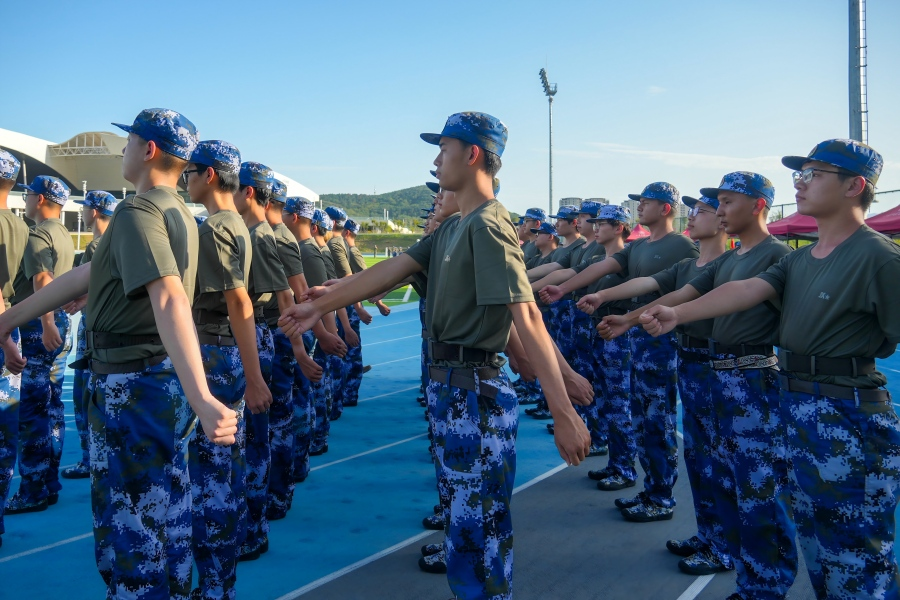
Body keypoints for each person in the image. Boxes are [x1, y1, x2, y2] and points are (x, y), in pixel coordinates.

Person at [279, 111, 592, 600]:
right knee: (466, 525)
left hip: (476, 392)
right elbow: (391, 271)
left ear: (473, 154)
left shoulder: (489, 225)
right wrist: (319, 304)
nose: (436, 160)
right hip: (454, 389)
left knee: (479, 530)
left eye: (444, 150)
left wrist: (563, 412)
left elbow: (526, 315)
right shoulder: (453, 228)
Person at [640, 140, 895, 600]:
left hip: (849, 415)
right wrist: (677, 314)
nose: (800, 183)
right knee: (818, 549)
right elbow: (744, 290)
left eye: (813, 174)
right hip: (797, 406)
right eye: (801, 174)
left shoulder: (878, 257)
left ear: (854, 186)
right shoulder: (799, 258)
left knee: (857, 557)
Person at [0, 108, 239, 596]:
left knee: (132, 532)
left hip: (133, 384)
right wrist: (7, 321)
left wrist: (202, 396)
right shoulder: (176, 211)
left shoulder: (139, 211)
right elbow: (87, 274)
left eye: (128, 141)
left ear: (148, 149)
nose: (123, 150)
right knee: (166, 516)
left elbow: (169, 296)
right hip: (154, 378)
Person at [583, 196, 732, 575]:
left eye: (701, 211)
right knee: (696, 453)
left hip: (722, 364)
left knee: (715, 455)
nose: (691, 217)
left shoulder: (728, 261)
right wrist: (620, 311)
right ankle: (708, 534)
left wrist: (630, 317)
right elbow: (656, 287)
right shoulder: (689, 264)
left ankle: (718, 540)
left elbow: (682, 300)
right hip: (690, 356)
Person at [541, 183, 698, 522]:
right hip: (634, 332)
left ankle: (657, 493)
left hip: (657, 336)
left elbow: (682, 289)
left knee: (654, 416)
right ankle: (640, 480)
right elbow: (601, 269)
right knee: (636, 413)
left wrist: (613, 306)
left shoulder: (681, 245)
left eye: (647, 202)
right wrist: (566, 289)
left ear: (666, 208)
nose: (640, 207)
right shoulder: (639, 246)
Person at [183, 140, 267, 597]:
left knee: (210, 477)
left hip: (214, 352)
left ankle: (215, 586)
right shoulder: (233, 222)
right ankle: (221, 580)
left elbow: (238, 302)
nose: (185, 178)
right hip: (223, 351)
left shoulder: (216, 228)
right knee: (224, 471)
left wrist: (254, 378)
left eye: (190, 171)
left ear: (209, 175)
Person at [5, 175, 74, 514]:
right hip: (59, 321)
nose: (27, 200)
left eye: (29, 195)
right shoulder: (62, 233)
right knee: (52, 406)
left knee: (32, 410)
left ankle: (33, 490)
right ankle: (48, 482)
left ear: (42, 199)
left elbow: (42, 280)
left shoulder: (39, 234)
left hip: (39, 324)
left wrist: (45, 323)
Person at [264, 179, 322, 520]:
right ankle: (291, 471)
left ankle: (285, 480)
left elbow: (298, 294)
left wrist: (316, 337)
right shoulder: (279, 236)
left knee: (285, 410)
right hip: (287, 331)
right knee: (290, 406)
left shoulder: (281, 239)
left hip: (284, 332)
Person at [281, 197, 344, 482]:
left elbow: (319, 300)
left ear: (294, 217)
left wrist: (328, 334)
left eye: (284, 213)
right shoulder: (306, 247)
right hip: (308, 326)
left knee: (307, 392)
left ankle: (313, 443)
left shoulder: (306, 250)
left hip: (307, 328)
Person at [61, 190, 118, 480]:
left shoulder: (96, 246)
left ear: (93, 212)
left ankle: (89, 459)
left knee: (85, 395)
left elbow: (86, 290)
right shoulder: (117, 241)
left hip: (93, 329)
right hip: (110, 333)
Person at [0, 149, 28, 549]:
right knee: (4, 436)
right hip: (10, 324)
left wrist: (4, 339)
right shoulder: (19, 224)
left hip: (2, 330)